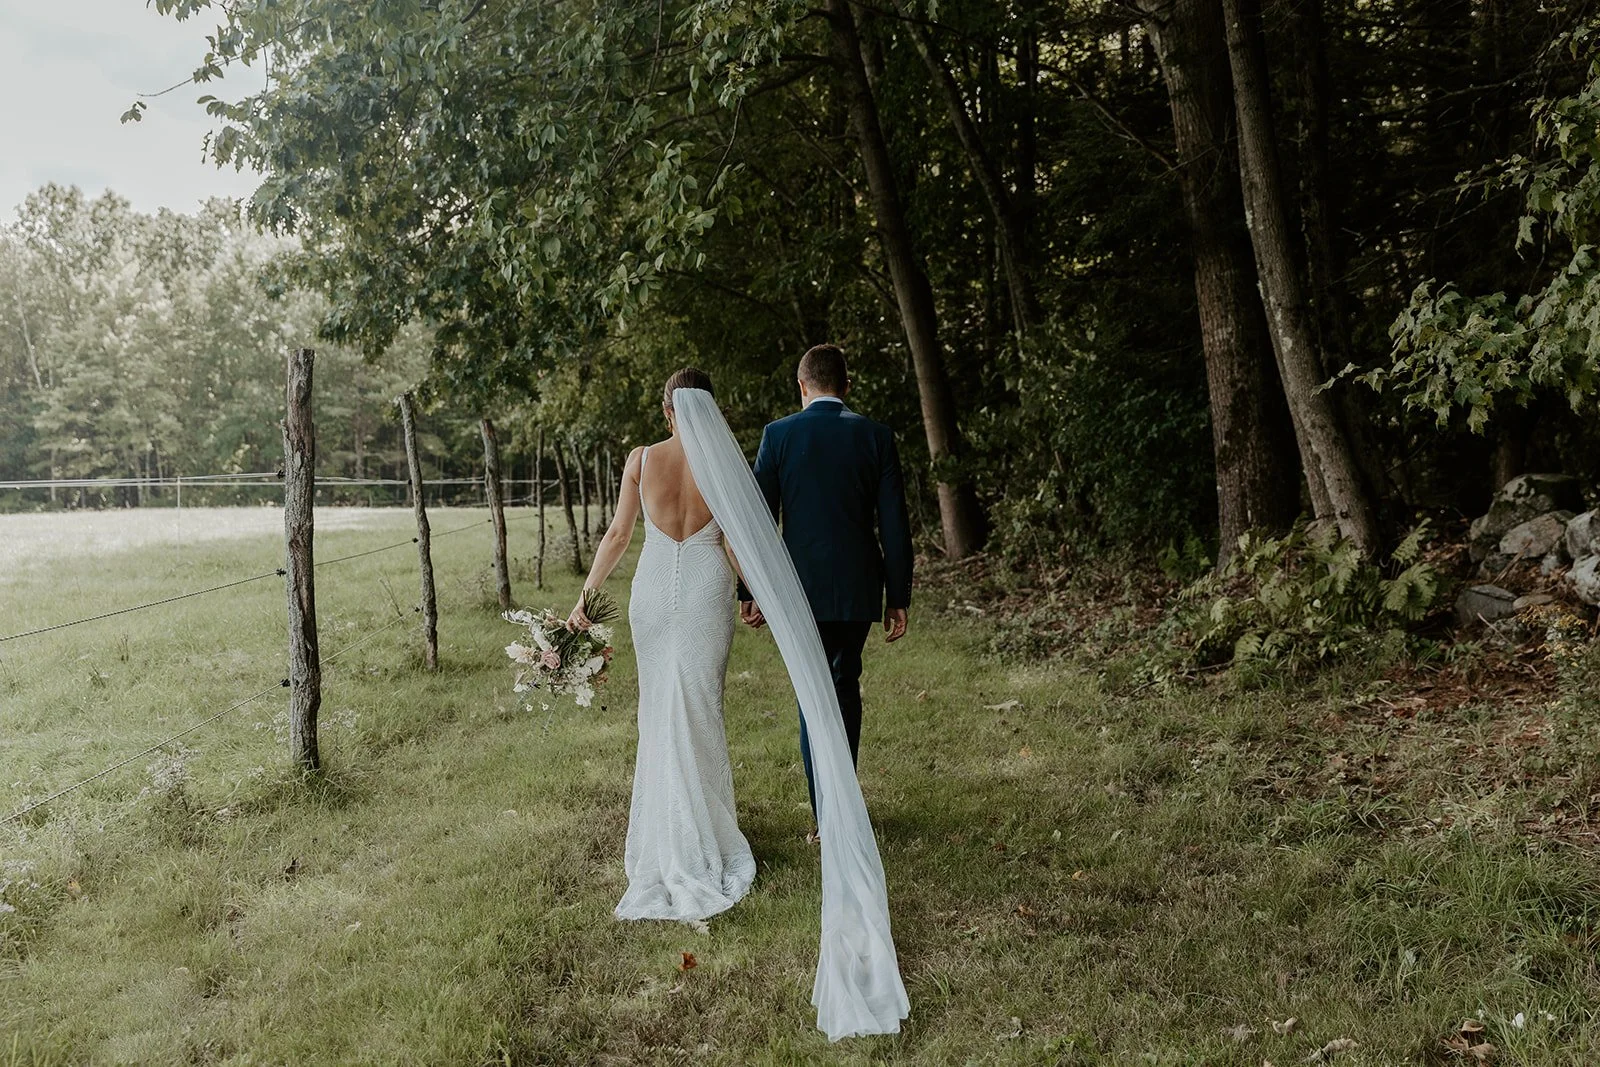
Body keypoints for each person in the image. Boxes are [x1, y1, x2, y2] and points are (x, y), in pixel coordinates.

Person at [568, 367, 755, 922]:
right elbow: (732, 540)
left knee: (658, 714)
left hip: (650, 594)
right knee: (700, 711)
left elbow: (619, 535)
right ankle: (701, 833)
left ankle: (668, 834)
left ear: (668, 410)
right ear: (708, 409)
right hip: (704, 592)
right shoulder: (722, 463)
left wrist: (585, 598)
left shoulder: (641, 459)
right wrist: (751, 594)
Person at [738, 344, 914, 839]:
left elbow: (755, 520)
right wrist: (897, 593)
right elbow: (895, 523)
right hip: (859, 588)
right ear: (847, 385)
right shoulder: (875, 436)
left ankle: (825, 819)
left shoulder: (778, 435)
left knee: (812, 693)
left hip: (798, 591)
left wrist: (748, 588)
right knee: (845, 685)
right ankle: (842, 808)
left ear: (801, 386)